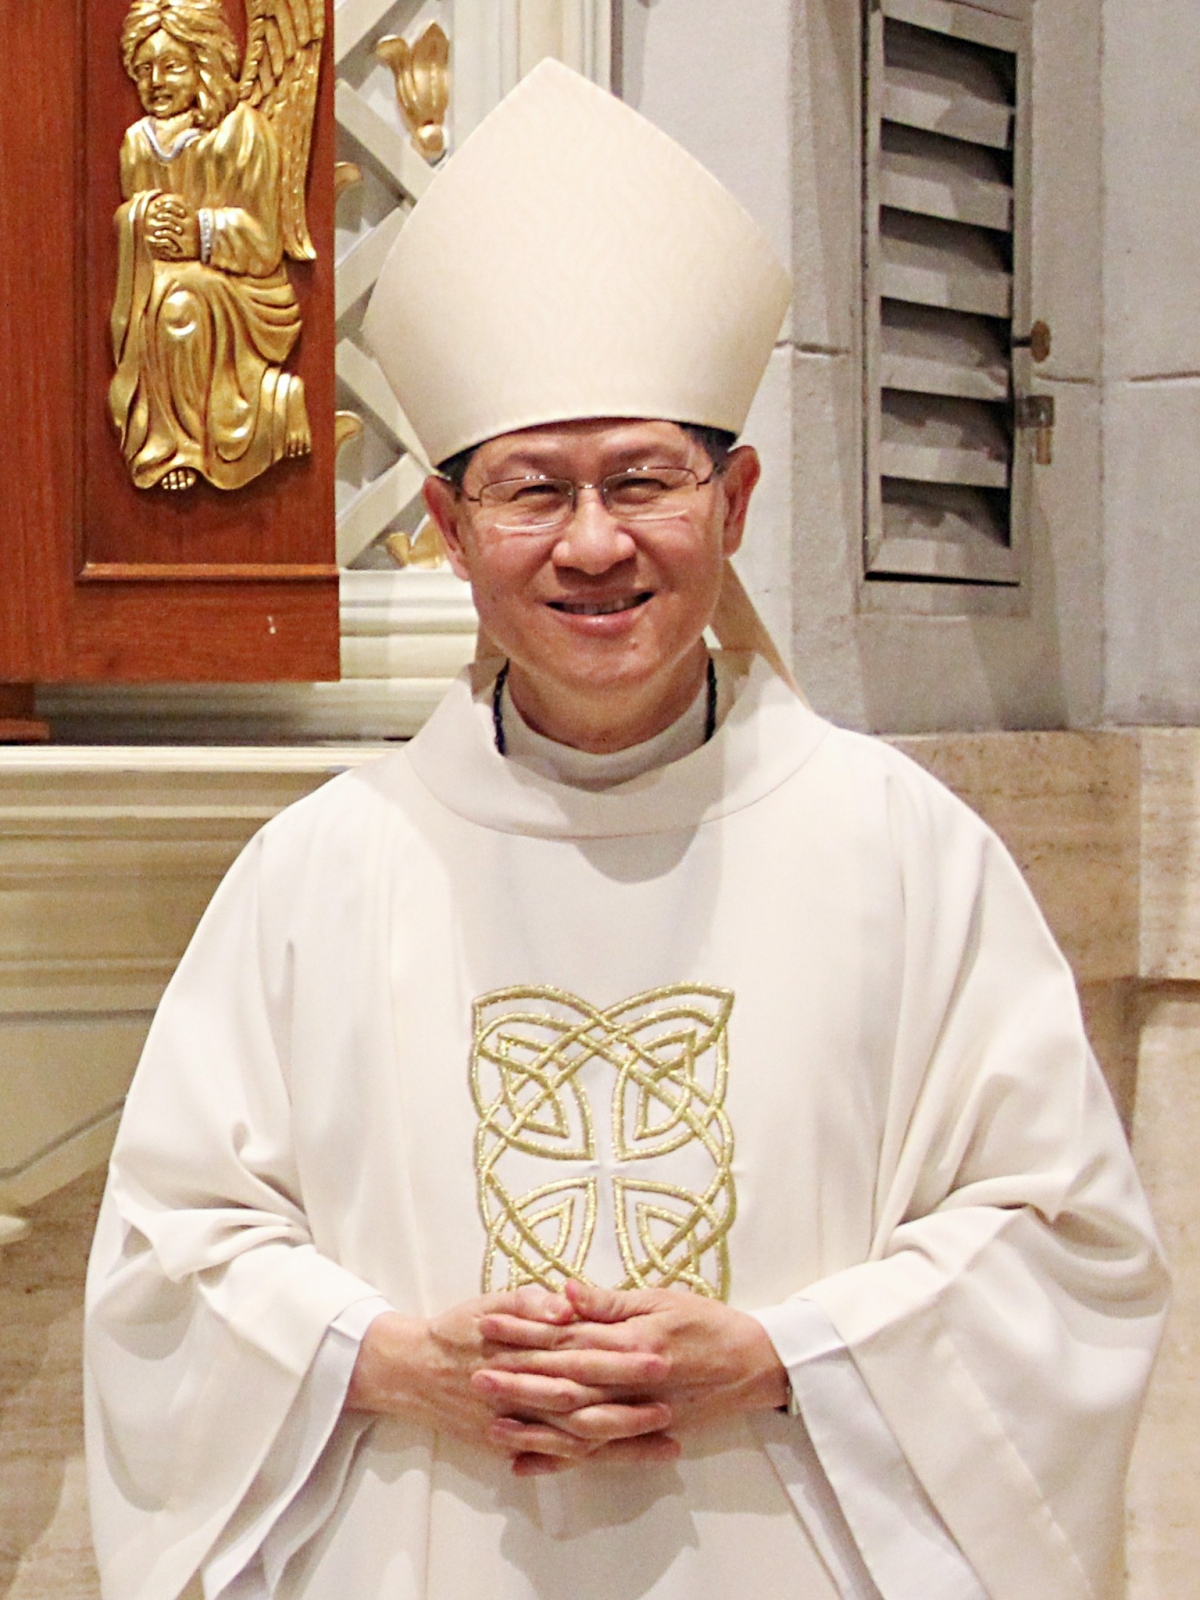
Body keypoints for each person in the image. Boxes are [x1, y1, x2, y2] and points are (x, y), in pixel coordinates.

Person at [85, 59, 1167, 1600]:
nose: (593, 544)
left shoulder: (904, 855)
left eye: (643, 481)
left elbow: (1067, 1256)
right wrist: (384, 1360)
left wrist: (784, 1357)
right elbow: (164, 1269)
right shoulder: (319, 878)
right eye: (534, 492)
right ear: (450, 530)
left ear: (734, 500)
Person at [110, 0, 311, 493]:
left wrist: (199, 233)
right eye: (144, 69)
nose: (156, 81)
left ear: (205, 64)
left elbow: (264, 241)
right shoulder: (138, 142)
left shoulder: (242, 131)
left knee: (180, 305)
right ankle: (167, 442)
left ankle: (245, 417)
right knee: (165, 299)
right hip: (160, 286)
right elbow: (131, 217)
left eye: (172, 66)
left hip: (247, 297)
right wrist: (140, 221)